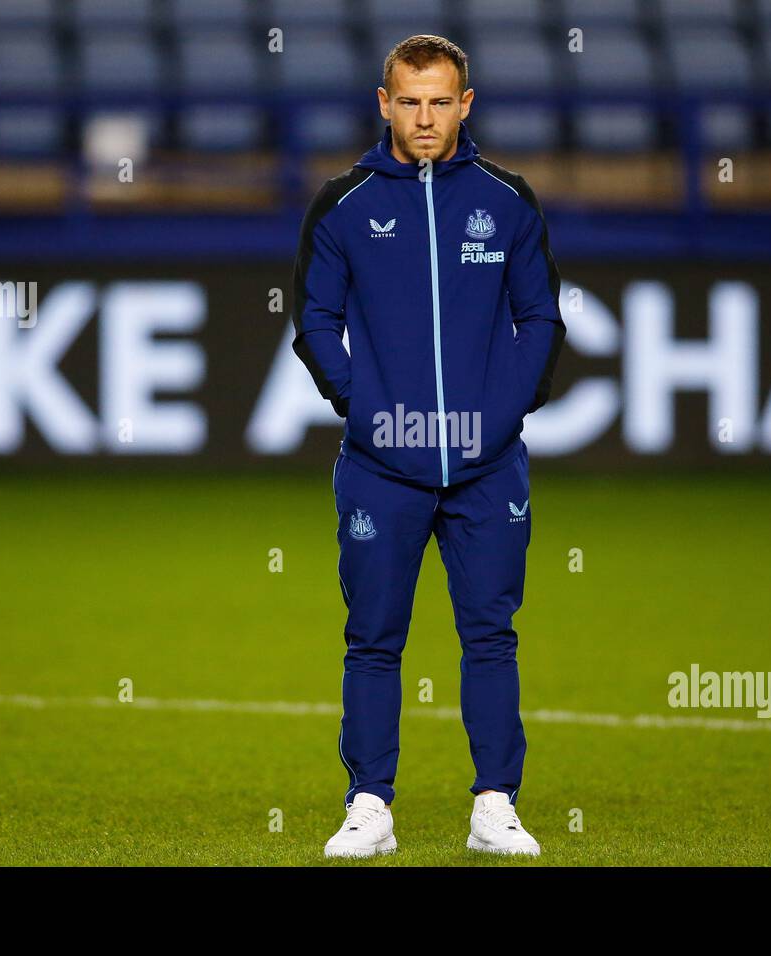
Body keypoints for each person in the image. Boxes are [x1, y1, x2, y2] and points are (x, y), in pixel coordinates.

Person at [290, 35, 565, 858]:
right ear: (384, 104)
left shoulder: (509, 202)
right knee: (374, 638)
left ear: (466, 105)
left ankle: (494, 805)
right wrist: (368, 413)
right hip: (382, 466)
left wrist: (498, 417)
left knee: (491, 635)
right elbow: (314, 323)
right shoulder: (342, 205)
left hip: (486, 467)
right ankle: (370, 805)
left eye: (440, 101)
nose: (424, 118)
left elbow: (543, 320)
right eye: (409, 101)